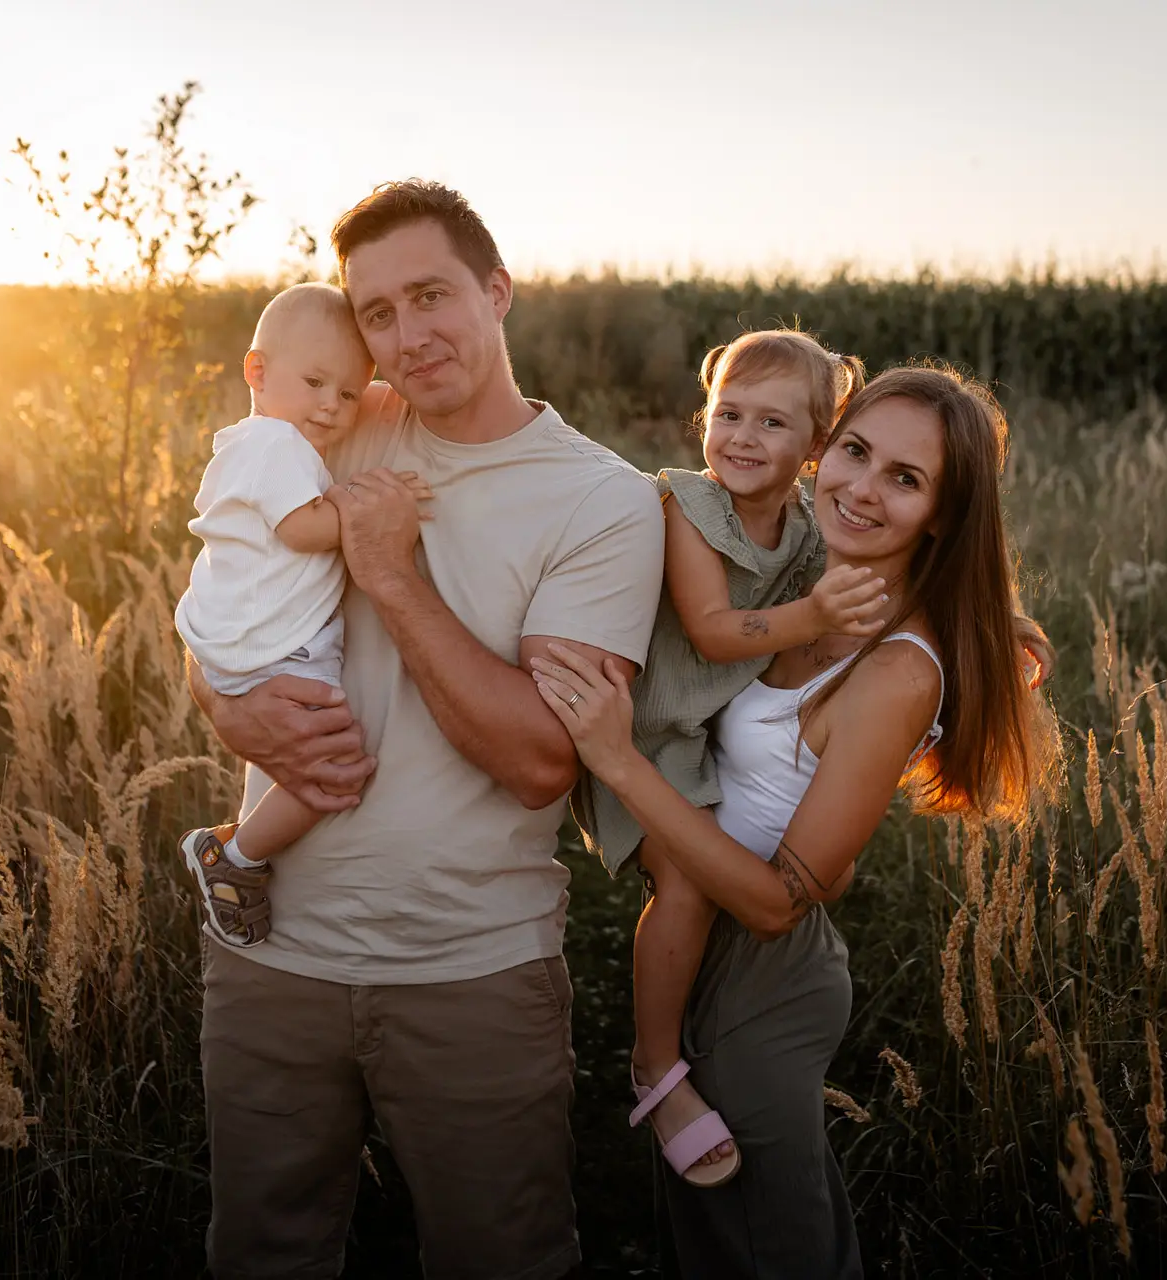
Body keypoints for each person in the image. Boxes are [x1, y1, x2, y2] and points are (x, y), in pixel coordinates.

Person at [185, 181, 665, 1280]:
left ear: (498, 291)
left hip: (468, 970)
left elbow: (544, 758)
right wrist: (220, 699)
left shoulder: (602, 502)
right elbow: (224, 597)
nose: (407, 336)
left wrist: (390, 573)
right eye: (380, 313)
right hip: (269, 955)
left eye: (433, 296)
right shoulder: (333, 425)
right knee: (260, 1255)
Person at [535, 362, 1057, 1278]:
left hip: (764, 978)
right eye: (855, 452)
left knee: (775, 1254)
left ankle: (655, 1080)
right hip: (699, 953)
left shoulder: (898, 671)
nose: (860, 487)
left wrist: (616, 758)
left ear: (943, 512)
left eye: (906, 479)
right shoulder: (815, 572)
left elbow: (780, 902)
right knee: (712, 1247)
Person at [577, 328, 882, 1187]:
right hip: (652, 730)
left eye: (773, 424)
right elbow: (711, 633)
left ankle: (726, 1007)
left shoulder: (808, 529)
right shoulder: (687, 506)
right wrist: (816, 616)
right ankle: (656, 1068)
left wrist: (997, 622)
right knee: (687, 885)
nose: (743, 438)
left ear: (817, 446)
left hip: (723, 729)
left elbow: (887, 584)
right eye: (729, 414)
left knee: (809, 866)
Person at [173, 282, 433, 947]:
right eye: (316, 382)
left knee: (323, 770)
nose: (331, 405)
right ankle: (232, 857)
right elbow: (303, 530)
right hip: (274, 654)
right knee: (336, 773)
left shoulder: (250, 444)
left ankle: (240, 851)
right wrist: (371, 504)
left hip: (246, 647)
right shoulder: (276, 446)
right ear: (257, 372)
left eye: (349, 393)